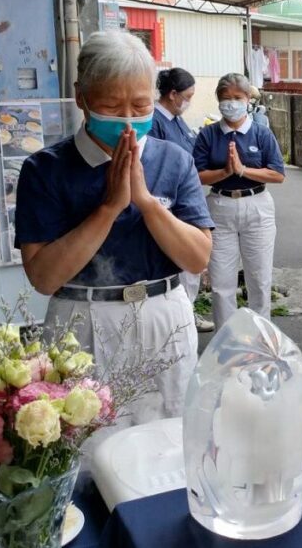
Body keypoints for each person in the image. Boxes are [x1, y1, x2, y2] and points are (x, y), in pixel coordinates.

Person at [14, 31, 214, 424]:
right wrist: (108, 208)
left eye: (140, 105)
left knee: (172, 436)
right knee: (90, 442)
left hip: (163, 314)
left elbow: (197, 258)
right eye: (111, 105)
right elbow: (43, 276)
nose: (127, 120)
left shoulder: (173, 160)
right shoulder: (46, 169)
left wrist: (146, 203)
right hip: (84, 318)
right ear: (82, 98)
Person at [194, 73, 285, 331]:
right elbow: (197, 175)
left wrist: (243, 170)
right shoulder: (208, 135)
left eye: (237, 97)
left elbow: (278, 174)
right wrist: (225, 172)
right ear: (218, 101)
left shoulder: (261, 134)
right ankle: (227, 342)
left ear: (248, 99)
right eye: (225, 98)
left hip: (257, 205)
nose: (231, 103)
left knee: (259, 278)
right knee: (222, 281)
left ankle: (260, 337)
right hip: (220, 207)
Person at [148, 67, 213, 332]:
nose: (189, 101)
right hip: (169, 209)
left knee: (190, 271)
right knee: (180, 269)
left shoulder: (176, 120)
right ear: (172, 94)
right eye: (187, 96)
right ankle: (180, 321)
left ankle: (187, 314)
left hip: (187, 205)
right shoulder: (155, 122)